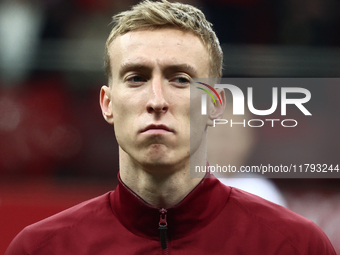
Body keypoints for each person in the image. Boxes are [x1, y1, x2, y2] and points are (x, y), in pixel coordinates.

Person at [6, 1, 336, 254]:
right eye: (136, 78)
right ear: (107, 103)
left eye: (180, 79)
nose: (157, 100)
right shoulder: (41, 248)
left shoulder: (295, 245)